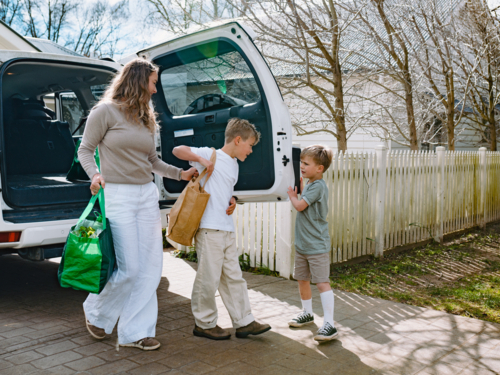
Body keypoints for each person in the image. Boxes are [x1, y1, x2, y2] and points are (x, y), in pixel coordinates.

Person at [78, 58, 198, 350]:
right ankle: (96, 312)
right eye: (154, 82)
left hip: (146, 195)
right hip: (118, 195)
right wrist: (95, 174)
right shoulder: (104, 112)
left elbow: (152, 161)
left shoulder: (147, 118)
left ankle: (136, 333)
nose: (155, 90)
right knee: (130, 268)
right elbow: (85, 149)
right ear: (138, 80)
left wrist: (180, 174)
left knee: (150, 269)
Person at [172, 118, 271, 340]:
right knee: (209, 277)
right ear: (238, 139)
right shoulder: (210, 154)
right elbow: (178, 150)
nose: (251, 150)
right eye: (250, 145)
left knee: (234, 277)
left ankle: (244, 321)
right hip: (209, 228)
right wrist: (199, 160)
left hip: (225, 228)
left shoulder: (234, 164)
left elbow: (222, 188)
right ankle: (204, 324)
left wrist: (232, 198)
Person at [286, 145, 338, 342]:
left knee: (322, 283)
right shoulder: (310, 184)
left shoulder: (317, 186)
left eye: (306, 164)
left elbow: (300, 206)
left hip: (316, 245)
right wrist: (300, 188)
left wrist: (293, 196)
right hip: (303, 245)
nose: (302, 166)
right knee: (302, 279)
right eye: (302, 162)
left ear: (320, 168)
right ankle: (307, 312)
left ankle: (330, 324)